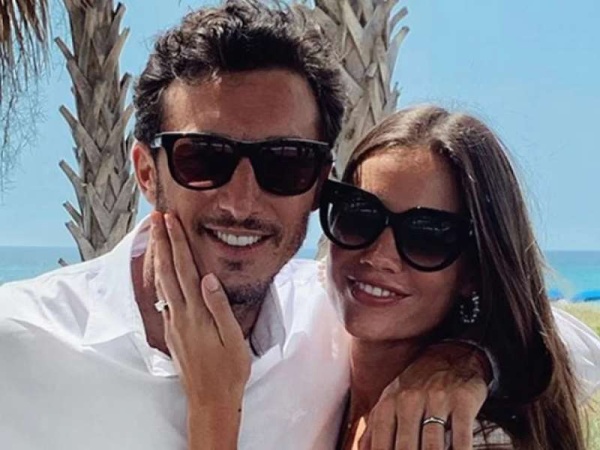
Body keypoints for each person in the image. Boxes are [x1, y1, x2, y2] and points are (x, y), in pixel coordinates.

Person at [0, 1, 598, 449]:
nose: (242, 200)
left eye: (284, 163)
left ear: (317, 184)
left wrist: (463, 361)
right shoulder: (22, 344)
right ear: (145, 172)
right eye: (203, 158)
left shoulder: (331, 319)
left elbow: (565, 340)